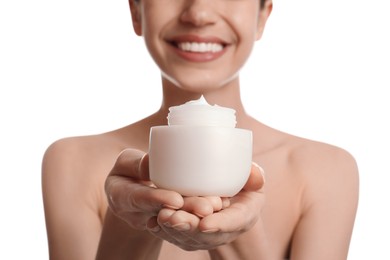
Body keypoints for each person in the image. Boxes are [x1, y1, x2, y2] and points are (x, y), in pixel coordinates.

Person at [41, 0, 359, 259]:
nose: (198, 13)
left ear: (262, 15)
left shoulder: (326, 172)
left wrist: (243, 236)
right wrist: (129, 223)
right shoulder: (72, 162)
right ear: (136, 11)